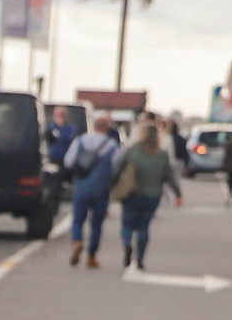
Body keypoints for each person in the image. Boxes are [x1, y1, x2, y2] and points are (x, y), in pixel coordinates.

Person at [114, 120, 183, 270]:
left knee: (127, 224)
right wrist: (178, 194)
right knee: (144, 228)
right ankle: (140, 259)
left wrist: (112, 185)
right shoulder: (162, 155)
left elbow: (117, 168)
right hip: (152, 196)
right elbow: (169, 176)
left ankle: (127, 245)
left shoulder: (132, 150)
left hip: (131, 193)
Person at [66, 114, 121, 267]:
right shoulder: (112, 146)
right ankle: (91, 256)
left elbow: (68, 161)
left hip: (81, 187)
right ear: (107, 129)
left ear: (94, 126)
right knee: (97, 224)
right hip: (101, 190)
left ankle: (77, 241)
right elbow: (117, 167)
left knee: (77, 220)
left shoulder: (80, 141)